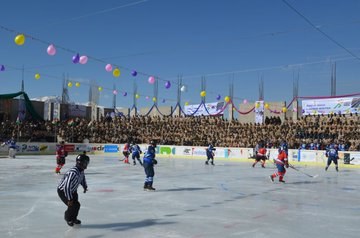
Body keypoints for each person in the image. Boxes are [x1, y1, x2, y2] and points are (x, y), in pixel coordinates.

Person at [57, 152, 89, 227]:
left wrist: (85, 186)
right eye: (85, 163)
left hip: (73, 190)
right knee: (72, 205)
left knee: (77, 205)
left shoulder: (81, 170)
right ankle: (68, 218)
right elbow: (66, 187)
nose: (86, 164)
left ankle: (74, 218)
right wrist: (69, 199)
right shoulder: (73, 172)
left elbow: (82, 178)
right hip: (63, 191)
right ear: (80, 163)